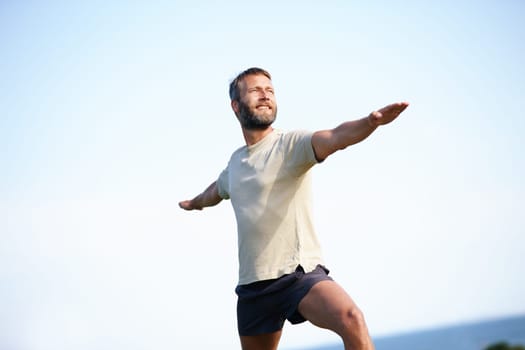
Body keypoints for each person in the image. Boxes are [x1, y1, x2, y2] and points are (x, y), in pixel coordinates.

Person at [179, 67, 409, 350]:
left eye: (270, 90)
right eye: (255, 90)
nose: (265, 95)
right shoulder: (235, 164)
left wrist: (370, 123)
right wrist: (195, 204)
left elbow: (335, 137)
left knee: (352, 319)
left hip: (299, 275)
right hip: (253, 288)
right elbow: (216, 190)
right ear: (235, 106)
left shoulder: (290, 144)